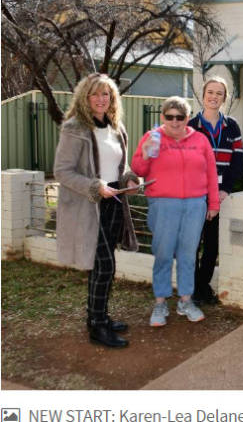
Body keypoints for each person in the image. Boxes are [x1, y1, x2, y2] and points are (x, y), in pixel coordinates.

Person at [54, 73, 140, 348]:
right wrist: (94, 186)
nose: (101, 99)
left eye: (106, 94)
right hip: (89, 206)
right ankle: (98, 326)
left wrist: (130, 179)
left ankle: (98, 317)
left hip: (114, 202)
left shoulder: (116, 127)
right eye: (95, 94)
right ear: (84, 97)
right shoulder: (74, 127)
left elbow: (119, 168)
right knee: (104, 265)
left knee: (102, 265)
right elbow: (62, 171)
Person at [131, 96, 219, 327]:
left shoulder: (200, 140)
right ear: (163, 117)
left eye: (180, 117)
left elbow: (211, 172)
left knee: (189, 255)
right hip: (163, 204)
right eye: (169, 116)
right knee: (163, 253)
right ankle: (160, 302)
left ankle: (185, 300)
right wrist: (147, 153)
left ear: (187, 119)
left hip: (194, 205)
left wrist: (213, 204)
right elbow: (138, 169)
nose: (175, 121)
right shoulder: (152, 138)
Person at [188, 76, 243, 306]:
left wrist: (225, 190)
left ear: (224, 98)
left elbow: (238, 163)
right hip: (195, 196)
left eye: (219, 93)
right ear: (203, 95)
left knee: (212, 246)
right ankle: (193, 288)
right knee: (192, 245)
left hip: (218, 197)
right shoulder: (190, 126)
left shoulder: (232, 127)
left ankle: (203, 286)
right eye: (210, 92)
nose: (214, 97)